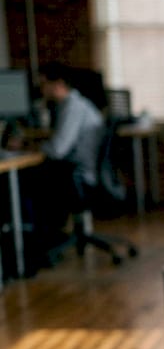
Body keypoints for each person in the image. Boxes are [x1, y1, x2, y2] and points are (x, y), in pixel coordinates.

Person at [29, 62, 105, 259]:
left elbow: (58, 149)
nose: (41, 88)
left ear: (59, 83)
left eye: (44, 83)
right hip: (81, 172)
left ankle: (38, 245)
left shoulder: (73, 108)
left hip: (79, 176)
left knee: (27, 180)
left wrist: (32, 148)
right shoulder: (71, 106)